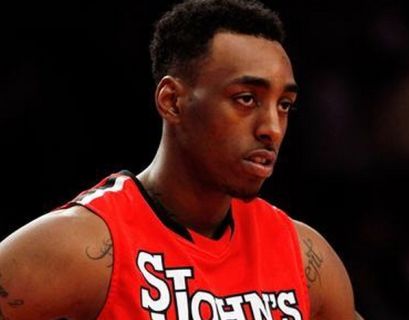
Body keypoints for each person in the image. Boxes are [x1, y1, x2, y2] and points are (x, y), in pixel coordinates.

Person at [0, 0, 364, 319]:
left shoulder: (303, 255)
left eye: (284, 105)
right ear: (172, 101)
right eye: (246, 99)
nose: (272, 127)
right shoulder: (88, 244)